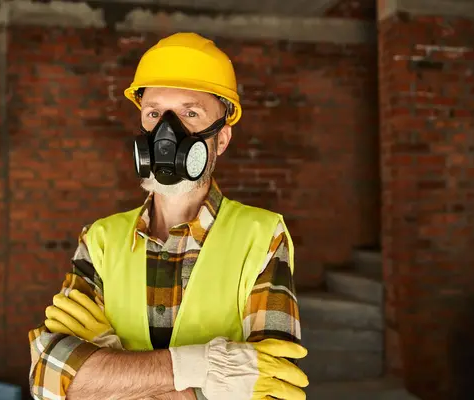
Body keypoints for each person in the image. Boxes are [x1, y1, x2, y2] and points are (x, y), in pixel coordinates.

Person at [28, 32, 308, 400]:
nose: (167, 133)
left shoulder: (261, 236)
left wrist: (114, 373)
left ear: (221, 139)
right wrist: (200, 370)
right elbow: (47, 379)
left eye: (190, 113)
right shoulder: (99, 240)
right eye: (156, 113)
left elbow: (273, 388)